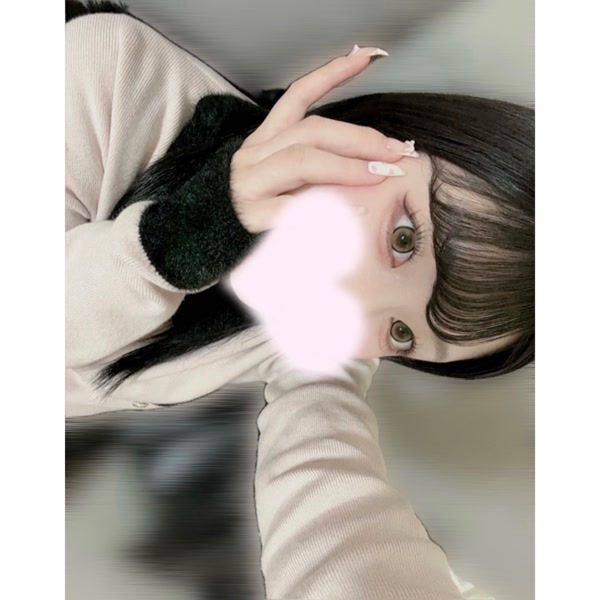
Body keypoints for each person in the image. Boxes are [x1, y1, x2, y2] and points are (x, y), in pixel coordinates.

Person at [65, 3, 533, 599]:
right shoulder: (109, 73)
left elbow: (327, 481)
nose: (349, 307)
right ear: (388, 135)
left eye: (403, 333)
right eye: (403, 238)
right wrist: (183, 235)